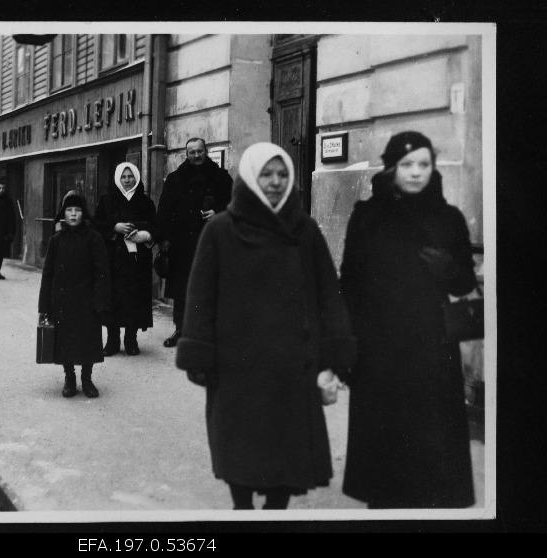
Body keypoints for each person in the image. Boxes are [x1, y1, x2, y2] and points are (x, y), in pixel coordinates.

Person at [175, 143, 355, 510]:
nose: (275, 182)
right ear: (250, 179)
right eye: (267, 174)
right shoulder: (221, 229)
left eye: (283, 174)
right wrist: (198, 352)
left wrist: (333, 356)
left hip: (292, 365)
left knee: (286, 455)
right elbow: (200, 296)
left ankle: (275, 511)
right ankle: (242, 509)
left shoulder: (304, 230)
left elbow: (327, 295)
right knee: (239, 449)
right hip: (235, 365)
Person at [340, 131, 478, 509]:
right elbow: (348, 284)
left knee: (432, 461)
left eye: (423, 164)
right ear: (391, 167)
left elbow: (465, 280)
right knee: (385, 468)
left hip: (432, 348)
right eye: (407, 165)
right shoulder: (367, 216)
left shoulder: (448, 219)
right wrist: (344, 350)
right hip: (378, 350)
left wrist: (447, 268)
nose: (416, 173)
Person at [155, 137, 232, 348]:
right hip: (182, 245)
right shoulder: (175, 179)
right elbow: (164, 211)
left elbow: (235, 205)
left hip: (211, 242)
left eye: (199, 152)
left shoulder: (221, 178)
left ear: (205, 152)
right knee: (181, 291)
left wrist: (218, 213)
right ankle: (181, 330)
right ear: (186, 155)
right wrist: (163, 239)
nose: (196, 156)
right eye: (192, 152)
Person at [38, 192, 111, 399]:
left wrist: (101, 300)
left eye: (77, 210)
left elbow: (102, 272)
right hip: (62, 301)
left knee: (88, 341)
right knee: (65, 342)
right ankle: (69, 378)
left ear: (83, 213)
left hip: (87, 301)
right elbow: (48, 275)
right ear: (64, 213)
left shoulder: (94, 238)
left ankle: (86, 379)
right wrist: (44, 306)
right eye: (69, 210)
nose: (73, 214)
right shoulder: (56, 240)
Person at [93, 162, 157, 356]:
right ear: (117, 179)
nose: (127, 180)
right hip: (113, 259)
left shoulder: (145, 202)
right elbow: (97, 225)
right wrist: (115, 227)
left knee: (134, 298)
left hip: (137, 260)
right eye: (124, 177)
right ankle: (112, 341)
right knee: (112, 298)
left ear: (136, 178)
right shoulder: (106, 200)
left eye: (131, 177)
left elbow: (155, 226)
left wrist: (144, 235)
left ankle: (131, 339)